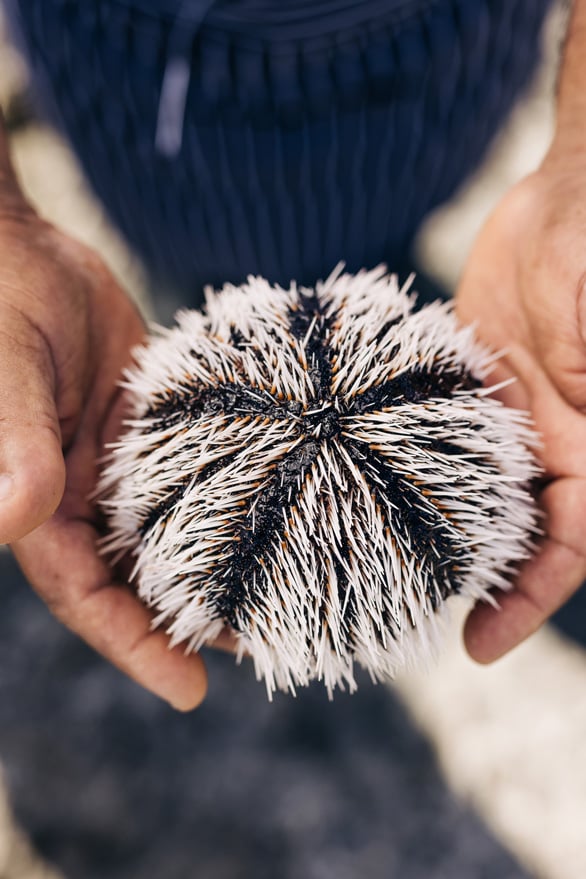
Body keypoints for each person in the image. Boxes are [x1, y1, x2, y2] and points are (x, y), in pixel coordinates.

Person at [0, 0, 583, 712]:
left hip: (442, 42)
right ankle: (224, 276)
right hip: (137, 59)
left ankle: (356, 258)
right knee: (194, 255)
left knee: (384, 226)